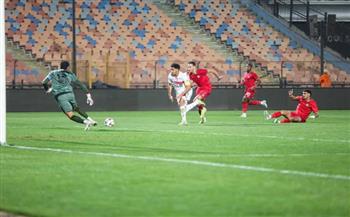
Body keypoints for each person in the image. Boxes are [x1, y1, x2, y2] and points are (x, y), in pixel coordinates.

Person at [42, 61, 97, 130]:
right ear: (68, 67)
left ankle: (86, 122)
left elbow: (44, 82)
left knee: (70, 115)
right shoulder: (70, 74)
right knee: (76, 108)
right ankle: (91, 120)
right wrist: (88, 95)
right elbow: (80, 84)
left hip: (61, 96)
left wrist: (47, 89)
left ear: (60, 66)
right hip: (70, 94)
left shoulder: (52, 73)